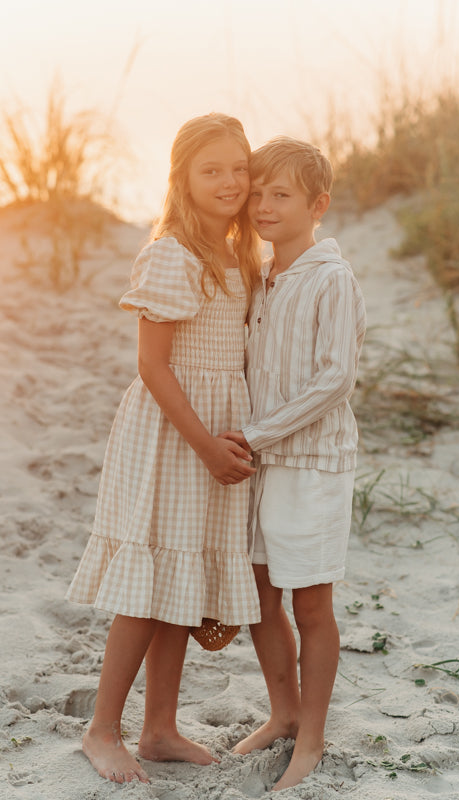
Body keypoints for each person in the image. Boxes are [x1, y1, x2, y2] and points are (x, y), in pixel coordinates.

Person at [66, 113, 262, 784]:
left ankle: (158, 728)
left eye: (239, 168)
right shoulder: (172, 253)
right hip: (173, 435)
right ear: (182, 177)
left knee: (183, 581)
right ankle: (102, 729)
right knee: (149, 587)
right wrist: (205, 445)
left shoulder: (238, 253)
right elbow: (152, 365)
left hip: (215, 433)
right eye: (212, 170)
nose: (229, 182)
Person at [222, 136, 367, 790]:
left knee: (311, 604)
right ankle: (283, 713)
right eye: (257, 193)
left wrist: (256, 434)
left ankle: (311, 737)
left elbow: (335, 378)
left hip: (311, 463)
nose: (263, 205)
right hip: (261, 465)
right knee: (258, 595)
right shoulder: (260, 275)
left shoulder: (332, 277)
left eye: (280, 194)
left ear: (318, 205)